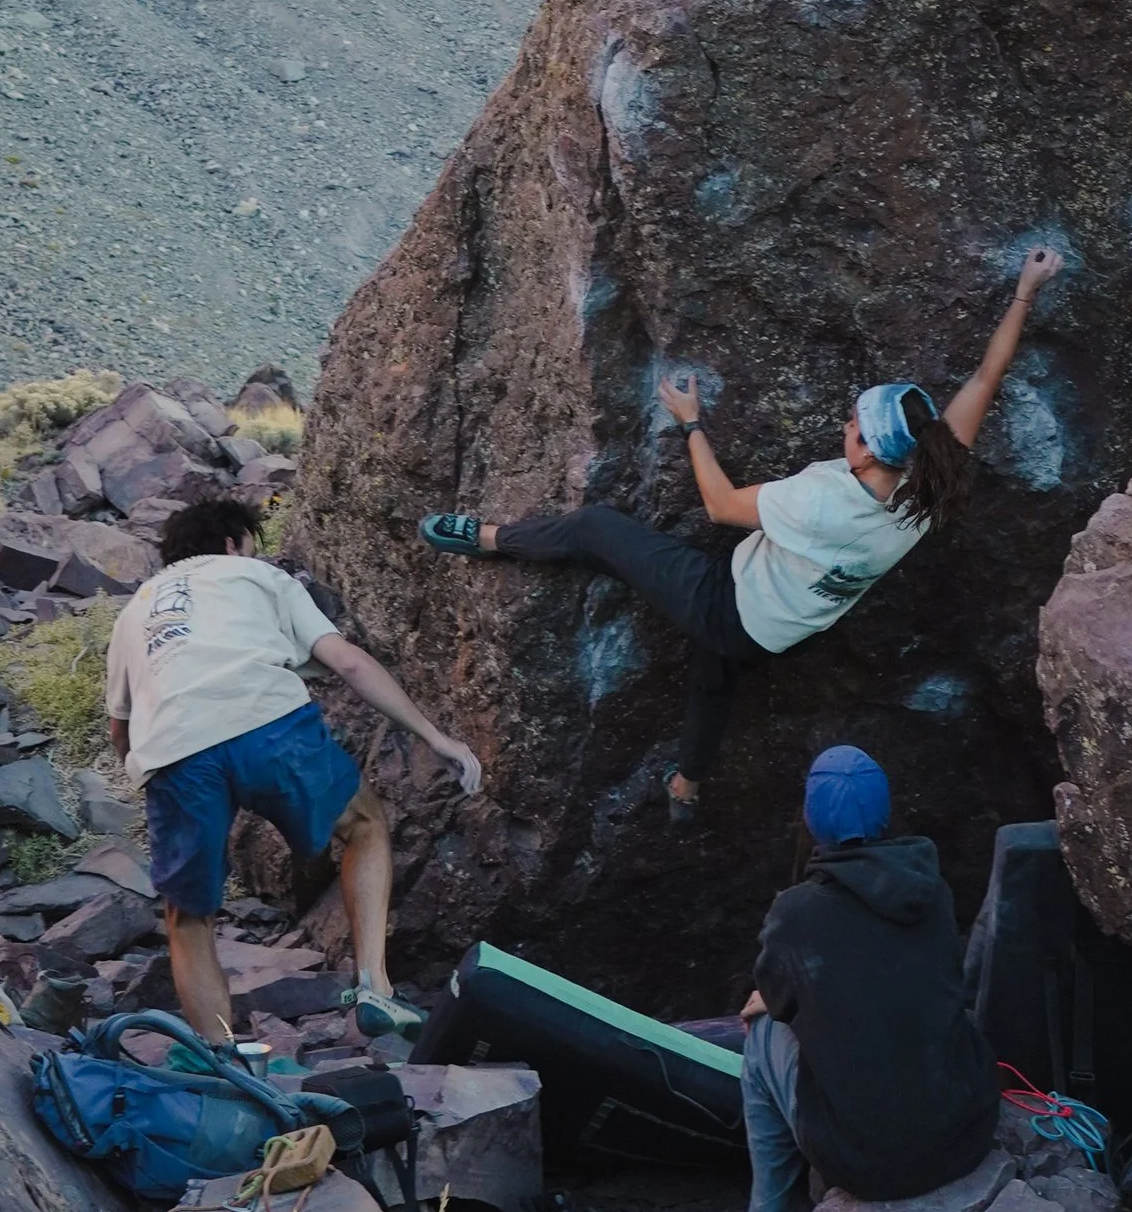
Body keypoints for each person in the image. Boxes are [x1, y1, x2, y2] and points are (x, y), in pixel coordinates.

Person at [420, 243, 1065, 818]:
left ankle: (487, 538)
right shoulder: (926, 488)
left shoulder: (826, 501)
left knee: (593, 527)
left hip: (727, 603)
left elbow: (723, 507)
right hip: (785, 630)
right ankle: (687, 787)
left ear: (868, 452)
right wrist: (1024, 293)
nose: (845, 426)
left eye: (852, 425)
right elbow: (987, 377)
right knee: (714, 673)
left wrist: (691, 422)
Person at [104, 489, 483, 1043]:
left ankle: (223, 1060)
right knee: (364, 824)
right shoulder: (259, 577)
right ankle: (376, 987)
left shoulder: (133, 612)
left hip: (174, 753)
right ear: (234, 544)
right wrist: (434, 735)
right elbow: (349, 662)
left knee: (187, 917)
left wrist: (154, 779)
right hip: (266, 722)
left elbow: (121, 725)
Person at [741, 743, 1000, 1212]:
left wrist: (769, 1003)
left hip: (865, 1165)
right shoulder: (932, 893)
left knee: (760, 1038)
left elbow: (782, 1002)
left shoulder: (797, 913)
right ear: (885, 813)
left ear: (812, 819)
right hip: (965, 1137)